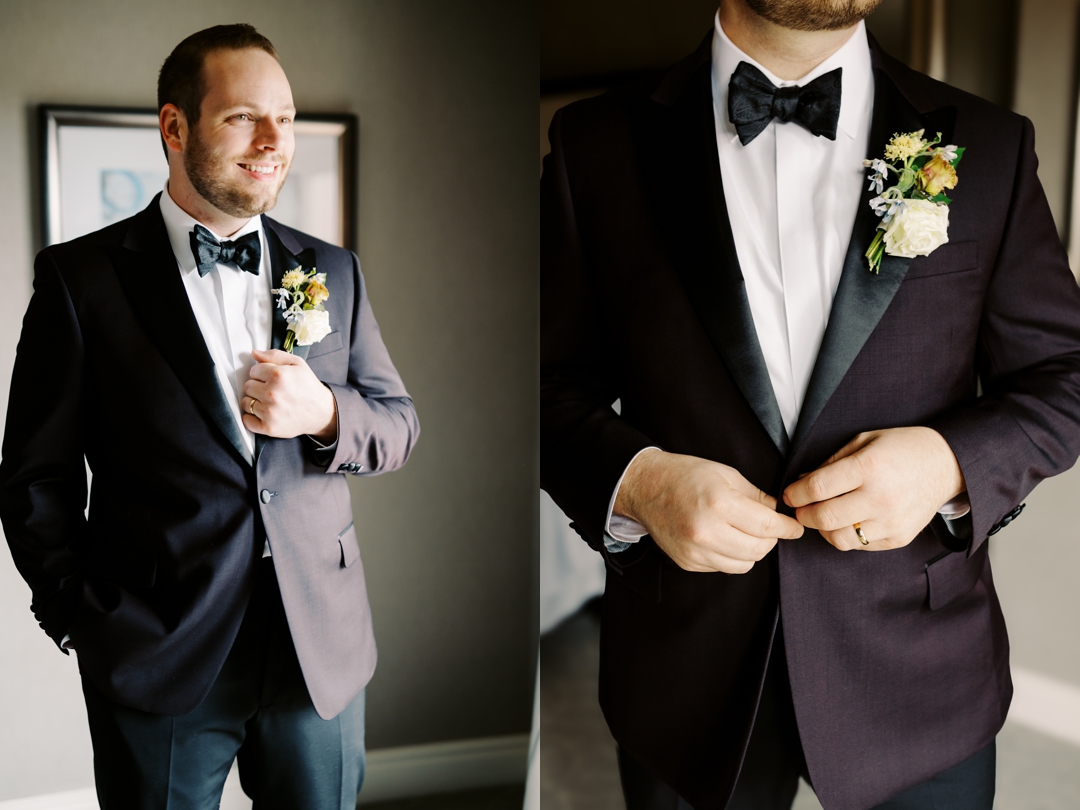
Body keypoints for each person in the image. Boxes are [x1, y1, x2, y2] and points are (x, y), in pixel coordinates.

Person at [540, 1, 1080, 808]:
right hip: (685, 674)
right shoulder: (595, 146)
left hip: (920, 676)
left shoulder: (993, 145)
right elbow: (543, 382)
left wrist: (947, 463)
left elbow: (1065, 374)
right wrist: (639, 482)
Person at [0, 24, 418, 810]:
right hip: (158, 651)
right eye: (242, 118)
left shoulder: (329, 269)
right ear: (174, 127)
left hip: (316, 651)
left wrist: (326, 413)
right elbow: (33, 479)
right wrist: (78, 617)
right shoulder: (81, 280)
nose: (273, 142)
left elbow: (397, 425)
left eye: (286, 119)